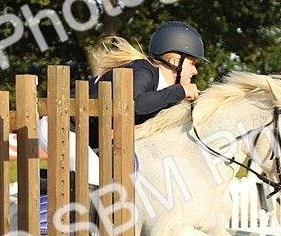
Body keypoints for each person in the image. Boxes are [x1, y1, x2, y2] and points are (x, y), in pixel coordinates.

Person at [39, 21, 206, 183]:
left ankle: (47, 182)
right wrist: (180, 90)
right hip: (60, 127)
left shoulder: (163, 91)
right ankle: (45, 186)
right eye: (192, 63)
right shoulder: (142, 69)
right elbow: (134, 105)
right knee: (97, 177)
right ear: (175, 61)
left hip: (89, 139)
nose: (195, 71)